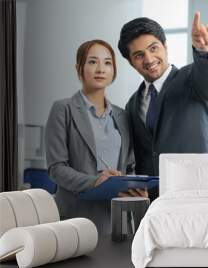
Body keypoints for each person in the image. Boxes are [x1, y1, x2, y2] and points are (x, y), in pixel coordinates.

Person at [45, 39, 146, 233]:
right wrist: (95, 181)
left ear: (113, 70)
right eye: (92, 62)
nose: (101, 68)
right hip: (75, 217)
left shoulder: (123, 116)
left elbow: (130, 166)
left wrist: (133, 188)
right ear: (79, 68)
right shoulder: (62, 109)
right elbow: (56, 168)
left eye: (107, 63)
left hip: (116, 219)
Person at [118, 12, 208, 200]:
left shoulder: (192, 80)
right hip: (153, 202)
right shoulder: (132, 104)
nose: (149, 59)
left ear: (165, 46)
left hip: (195, 193)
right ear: (130, 62)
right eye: (139, 55)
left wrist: (204, 51)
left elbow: (207, 75)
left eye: (153, 48)